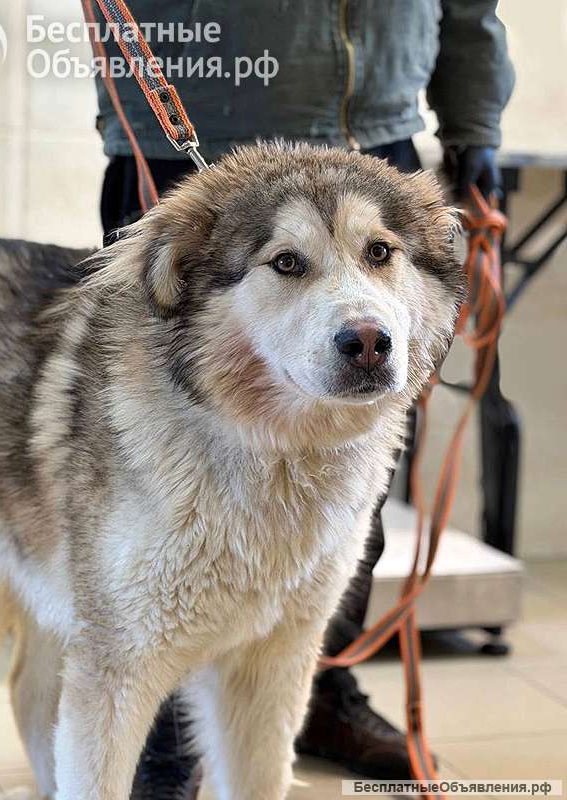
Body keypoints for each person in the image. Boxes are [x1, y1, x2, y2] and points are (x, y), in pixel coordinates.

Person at [92, 1, 514, 794]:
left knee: (354, 481)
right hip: (197, 116)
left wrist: (475, 115)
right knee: (157, 489)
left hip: (378, 122)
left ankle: (318, 689)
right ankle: (155, 742)